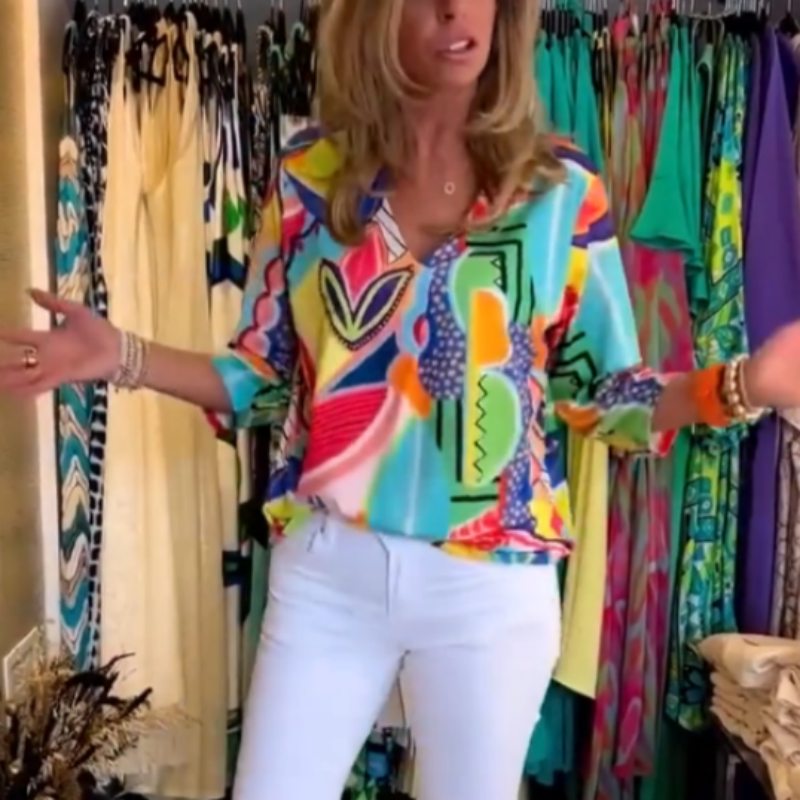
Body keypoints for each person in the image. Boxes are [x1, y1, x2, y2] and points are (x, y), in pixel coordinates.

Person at [2, 0, 800, 797]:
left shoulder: (558, 189)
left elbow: (603, 396)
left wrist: (741, 385)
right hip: (328, 573)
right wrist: (122, 355)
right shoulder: (312, 177)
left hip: (489, 585)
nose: (455, 11)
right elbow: (262, 378)